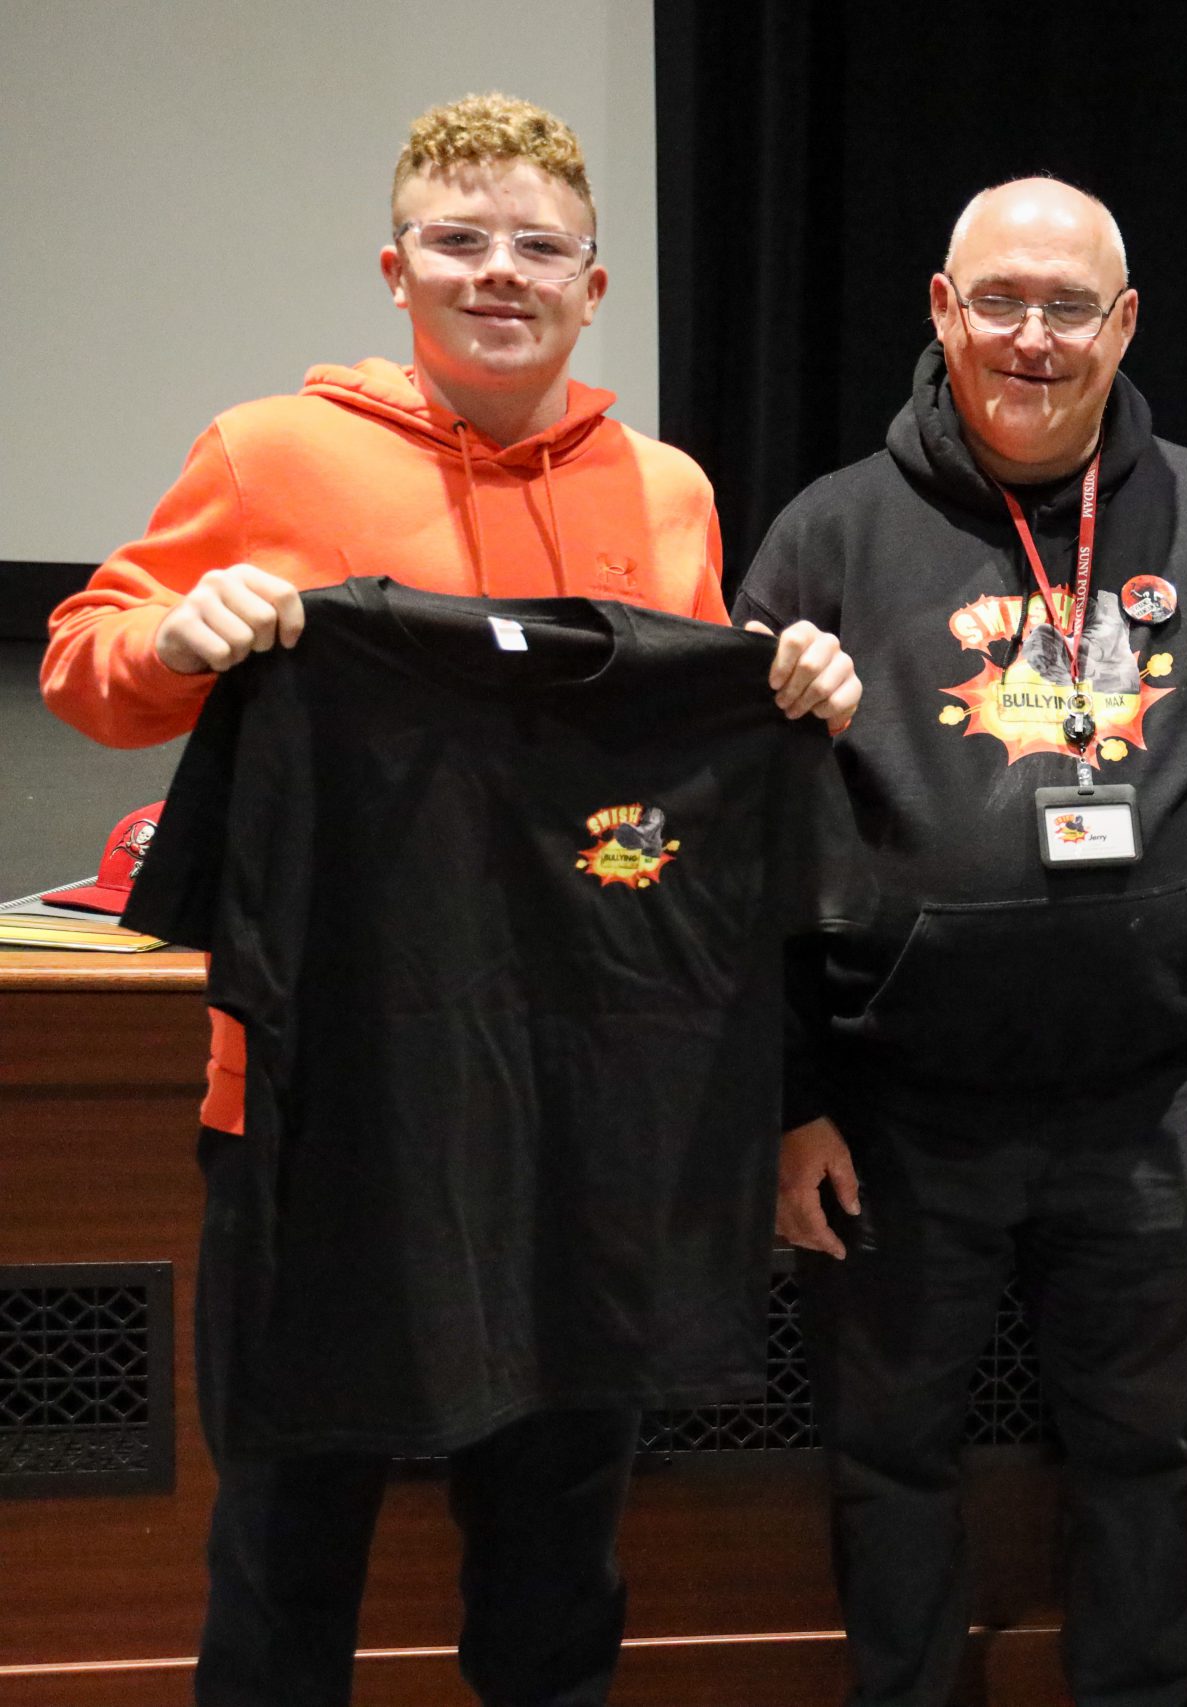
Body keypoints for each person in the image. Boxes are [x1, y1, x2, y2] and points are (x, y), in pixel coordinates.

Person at [40, 92, 860, 1707]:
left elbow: (678, 794)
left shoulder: (667, 492)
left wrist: (797, 696)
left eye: (537, 247)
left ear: (593, 284)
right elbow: (87, 659)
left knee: (563, 1531)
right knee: (292, 1519)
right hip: (319, 1095)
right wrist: (175, 636)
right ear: (397, 267)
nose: (501, 273)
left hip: (590, 1105)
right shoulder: (268, 451)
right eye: (460, 241)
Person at [740, 178, 1187, 1707]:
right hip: (894, 1110)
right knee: (890, 1464)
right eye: (1000, 299)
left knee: (1151, 1462)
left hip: (1154, 1104)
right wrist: (789, 1095)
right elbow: (758, 839)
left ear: (1124, 325)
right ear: (942, 310)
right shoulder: (830, 535)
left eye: (1071, 307)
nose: (1034, 337)